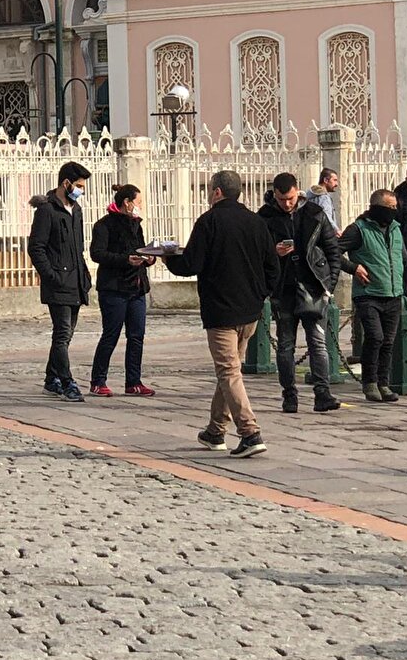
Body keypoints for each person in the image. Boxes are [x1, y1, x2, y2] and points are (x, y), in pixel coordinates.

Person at [165, 170, 279, 459]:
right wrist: (260, 293)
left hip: (221, 310)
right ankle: (215, 431)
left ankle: (250, 432)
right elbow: (273, 267)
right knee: (230, 371)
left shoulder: (209, 221)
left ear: (217, 192)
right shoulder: (256, 222)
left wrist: (167, 257)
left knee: (228, 371)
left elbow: (190, 264)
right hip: (250, 310)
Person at [257, 172, 342, 414]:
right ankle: (289, 395)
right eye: (282, 199)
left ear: (298, 193)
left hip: (313, 285)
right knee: (285, 345)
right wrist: (273, 252)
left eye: (291, 199)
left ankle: (322, 393)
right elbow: (255, 254)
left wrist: (328, 286)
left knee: (318, 343)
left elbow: (332, 250)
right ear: (274, 195)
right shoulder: (264, 217)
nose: (287, 204)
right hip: (283, 288)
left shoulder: (314, 213)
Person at [339, 190, 407, 403]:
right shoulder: (358, 229)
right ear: (376, 207)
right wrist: (353, 268)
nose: (393, 211)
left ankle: (383, 383)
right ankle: (370, 382)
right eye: (389, 207)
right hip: (368, 293)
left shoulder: (395, 229)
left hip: (393, 293)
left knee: (387, 341)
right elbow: (333, 252)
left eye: (395, 207)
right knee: (375, 337)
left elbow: (404, 258)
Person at [28, 162, 92, 402]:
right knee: (62, 333)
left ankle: (51, 378)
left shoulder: (76, 210)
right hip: (58, 282)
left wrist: (84, 275)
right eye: (78, 186)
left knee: (67, 334)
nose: (81, 191)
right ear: (66, 183)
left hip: (76, 281)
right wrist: (51, 275)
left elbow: (78, 247)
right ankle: (67, 382)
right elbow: (36, 248)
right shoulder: (47, 211)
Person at [88, 184, 155, 398]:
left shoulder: (136, 224)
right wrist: (125, 260)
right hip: (114, 288)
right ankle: (98, 381)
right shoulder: (104, 225)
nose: (140, 206)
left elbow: (140, 248)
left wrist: (149, 257)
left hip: (137, 286)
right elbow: (97, 253)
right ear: (127, 202)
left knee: (137, 336)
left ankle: (133, 381)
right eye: (138, 202)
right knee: (111, 334)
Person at [304, 168, 342, 234]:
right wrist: (336, 230)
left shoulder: (310, 194)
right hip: (322, 234)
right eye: (334, 180)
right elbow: (326, 217)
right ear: (325, 180)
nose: (336, 184)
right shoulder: (324, 197)